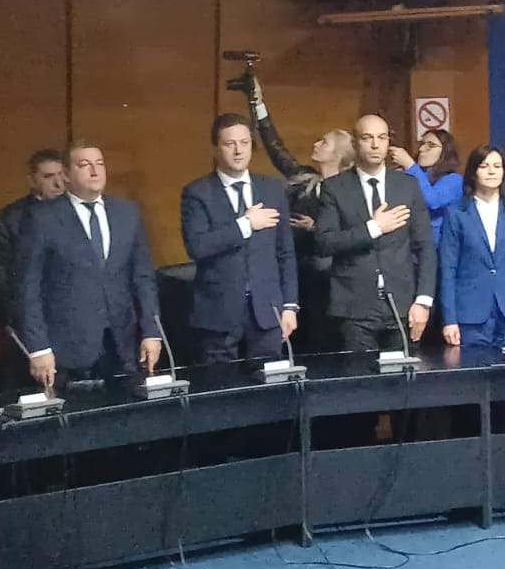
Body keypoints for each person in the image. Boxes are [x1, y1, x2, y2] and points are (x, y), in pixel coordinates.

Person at [18, 141, 162, 389]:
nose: (95, 171)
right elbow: (27, 287)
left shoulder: (126, 213)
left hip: (121, 344)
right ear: (66, 175)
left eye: (100, 164)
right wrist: (38, 347)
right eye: (84, 165)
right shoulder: (42, 217)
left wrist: (152, 331)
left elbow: (143, 278)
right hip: (66, 349)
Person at [181, 114, 299, 363]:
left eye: (244, 143)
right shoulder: (197, 192)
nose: (238, 151)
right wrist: (245, 225)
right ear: (215, 148)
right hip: (218, 314)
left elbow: (285, 253)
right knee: (221, 384)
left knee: (271, 381)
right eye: (229, 144)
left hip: (267, 311)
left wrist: (290, 306)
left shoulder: (272, 189)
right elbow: (197, 247)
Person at [247, 77, 354, 351]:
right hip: (294, 272)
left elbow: (353, 232)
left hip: (327, 279)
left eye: (325, 142)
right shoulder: (305, 178)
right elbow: (276, 150)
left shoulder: (348, 191)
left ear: (339, 155)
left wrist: (315, 228)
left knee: (322, 338)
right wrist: (259, 105)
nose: (317, 144)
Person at [315, 115, 437, 352]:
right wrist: (373, 228)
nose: (375, 145)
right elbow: (324, 242)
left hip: (402, 304)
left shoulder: (407, 185)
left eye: (381, 138)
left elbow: (425, 247)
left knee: (403, 375)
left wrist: (423, 300)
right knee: (360, 374)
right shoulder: (334, 187)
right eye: (367, 138)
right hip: (354, 307)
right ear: (355, 144)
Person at [438, 146, 505, 349]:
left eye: (497, 166)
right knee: (474, 368)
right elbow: (448, 269)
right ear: (473, 172)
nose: (492, 171)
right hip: (470, 315)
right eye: (484, 166)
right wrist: (450, 319)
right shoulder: (456, 212)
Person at [0, 148, 65, 332]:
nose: (58, 183)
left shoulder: (78, 213)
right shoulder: (11, 218)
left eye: (62, 174)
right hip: (27, 318)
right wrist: (13, 317)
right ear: (32, 181)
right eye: (48, 177)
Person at [390, 129, 462, 244]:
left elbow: (433, 201)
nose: (421, 149)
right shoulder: (417, 175)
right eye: (422, 144)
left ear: (445, 151)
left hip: (439, 246)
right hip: (411, 243)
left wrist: (410, 165)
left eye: (431, 145)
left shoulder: (454, 180)